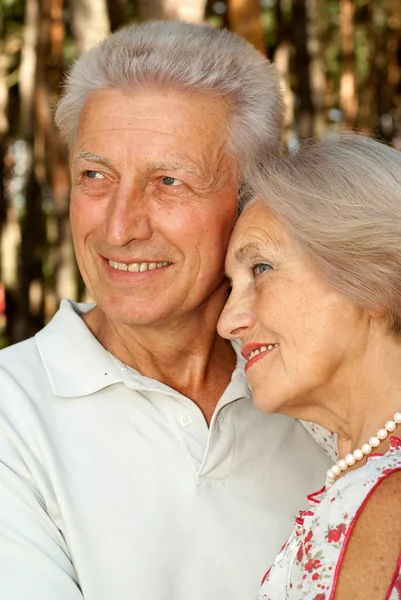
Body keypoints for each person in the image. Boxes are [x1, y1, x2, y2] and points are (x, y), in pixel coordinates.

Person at [0, 20, 332, 600]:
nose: (120, 227)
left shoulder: (322, 396)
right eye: (95, 176)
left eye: (169, 181)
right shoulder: (12, 414)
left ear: (249, 200)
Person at [218, 133, 401, 599]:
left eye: (260, 268)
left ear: (371, 276)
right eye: (230, 286)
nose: (227, 323)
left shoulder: (380, 503)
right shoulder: (359, 463)